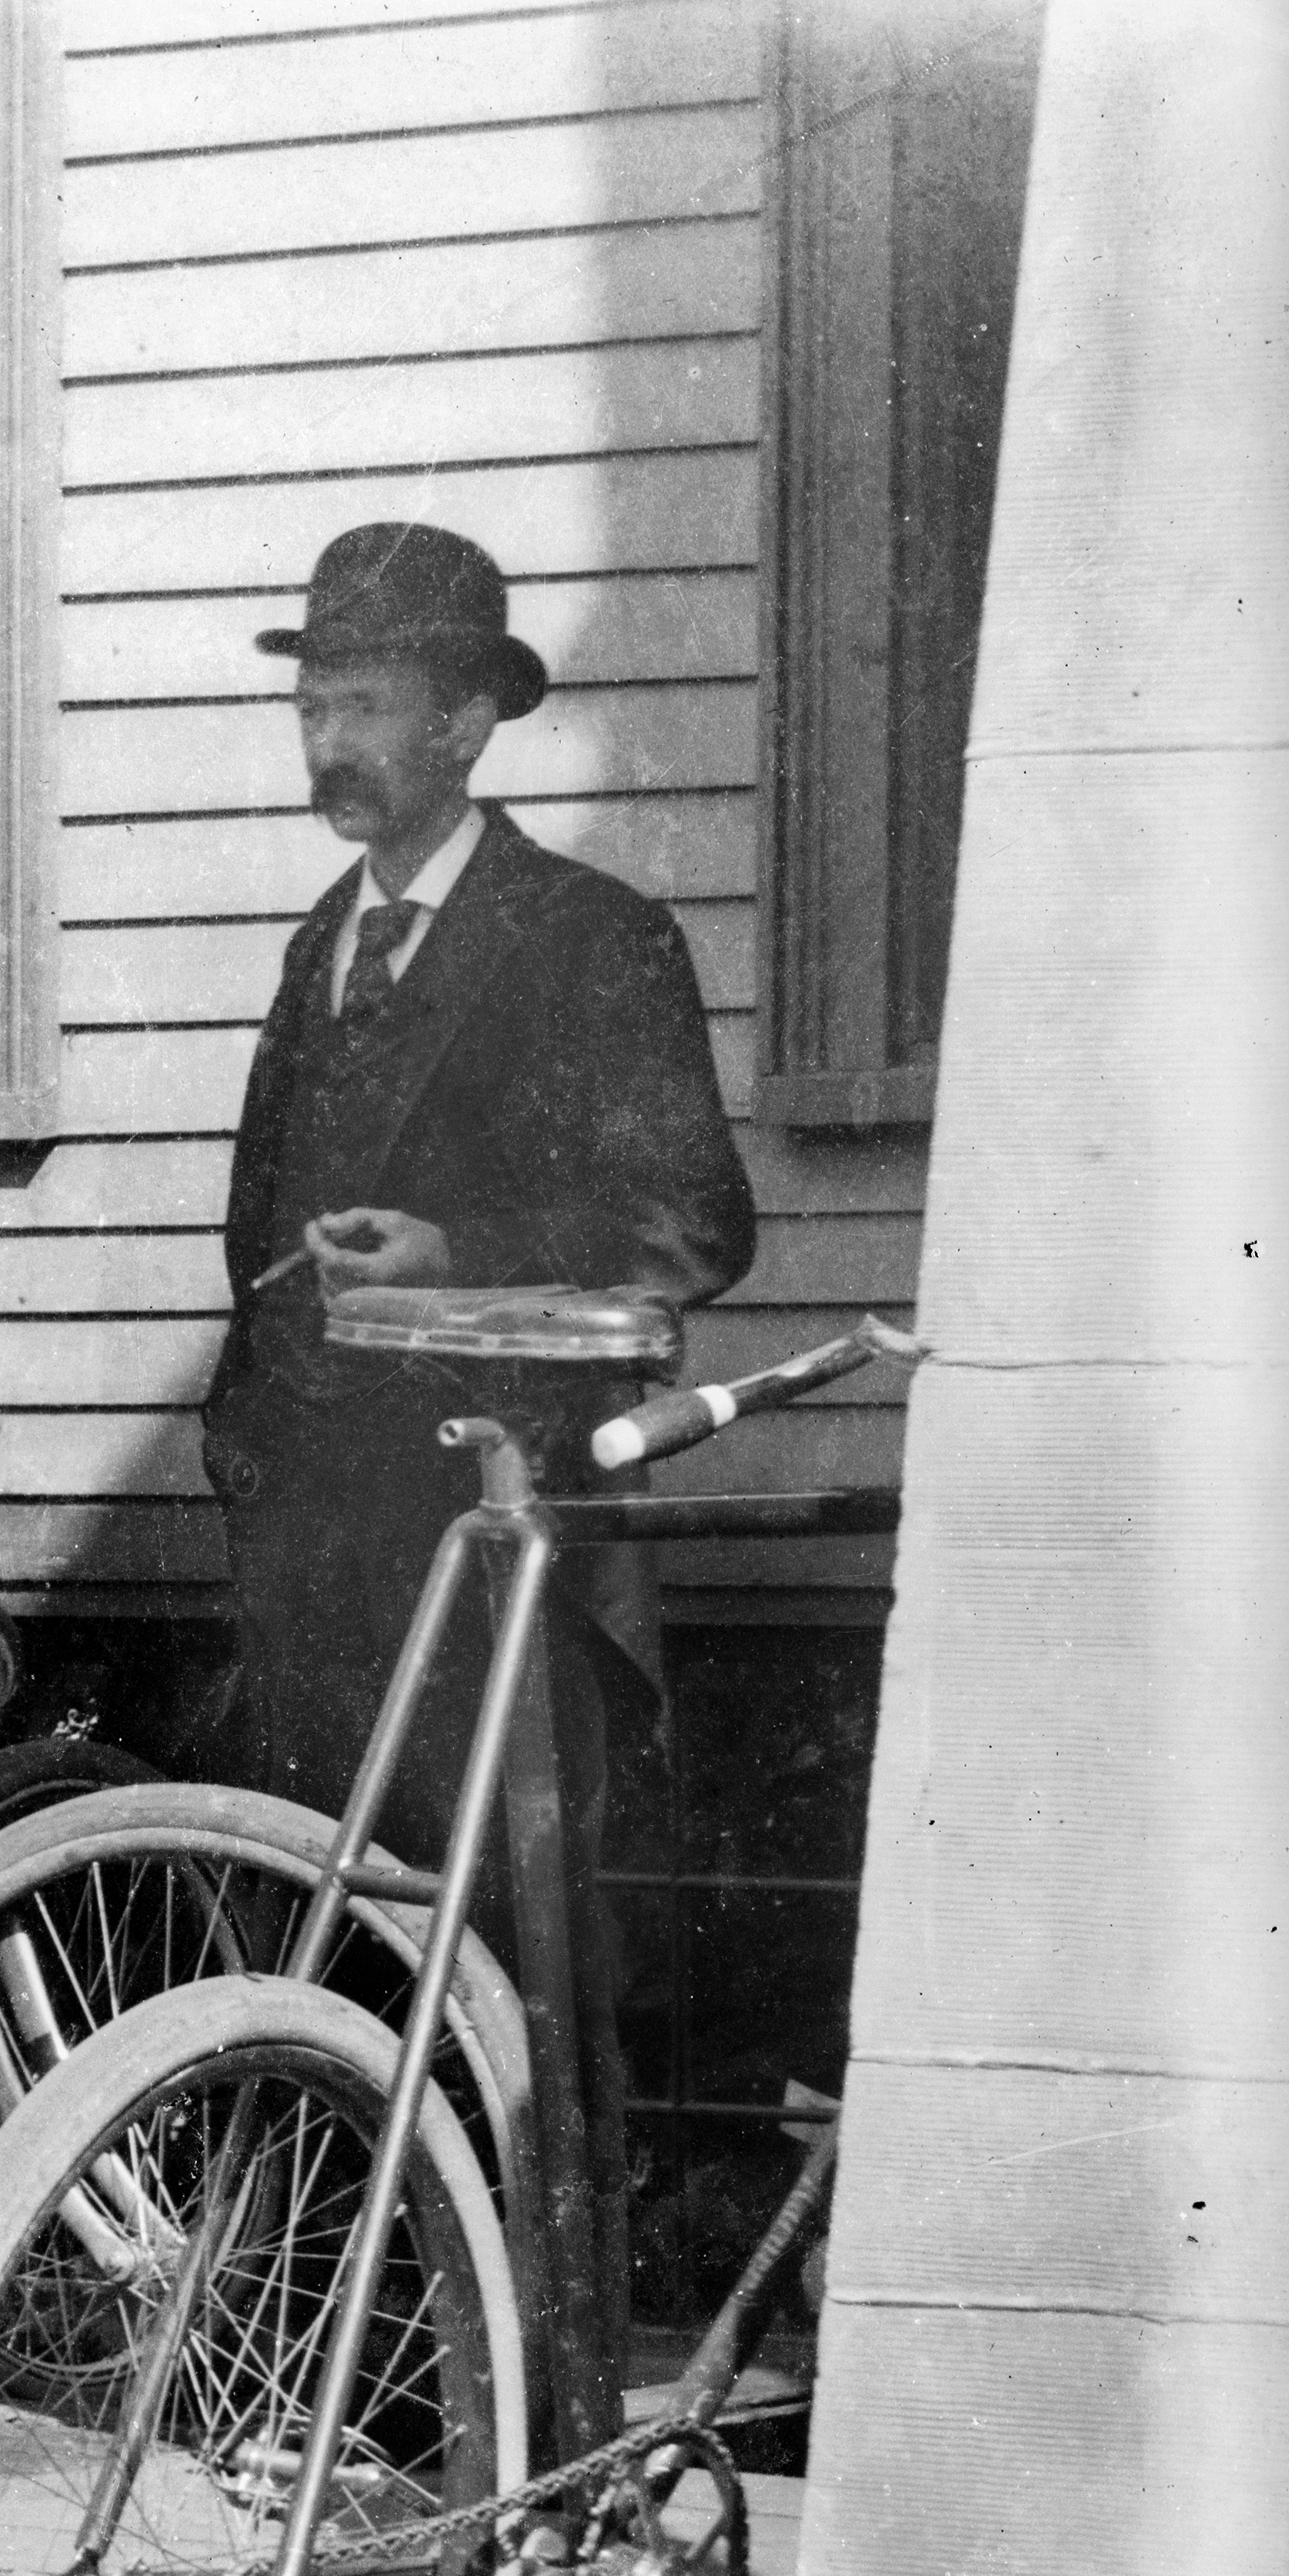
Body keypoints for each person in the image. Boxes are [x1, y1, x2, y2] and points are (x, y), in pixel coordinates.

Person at [204, 520, 755, 1848]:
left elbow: (695, 1223)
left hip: (500, 1519)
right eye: (310, 706)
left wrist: (460, 1252)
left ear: (462, 727)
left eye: (365, 707)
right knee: (314, 1900)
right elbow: (256, 1238)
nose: (326, 742)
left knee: (506, 1904)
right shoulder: (315, 949)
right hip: (308, 1535)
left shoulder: (591, 938)